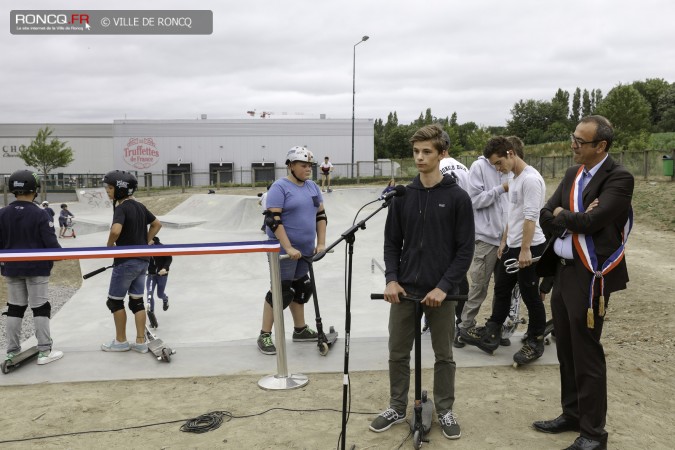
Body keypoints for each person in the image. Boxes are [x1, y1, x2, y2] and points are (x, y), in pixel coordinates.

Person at [369, 124, 474, 440]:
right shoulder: (403, 195)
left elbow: (465, 249)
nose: (419, 157)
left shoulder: (457, 198)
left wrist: (444, 287)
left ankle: (444, 410)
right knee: (397, 352)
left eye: (427, 151)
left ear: (442, 154)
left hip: (443, 293)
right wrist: (391, 279)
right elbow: (391, 243)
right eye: (416, 151)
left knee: (444, 355)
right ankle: (396, 406)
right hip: (405, 291)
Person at [534, 116, 633, 450]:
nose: (572, 144)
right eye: (573, 137)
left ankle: (593, 433)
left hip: (589, 275)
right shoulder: (572, 174)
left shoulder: (619, 178)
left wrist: (566, 215)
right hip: (562, 271)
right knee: (565, 348)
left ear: (600, 146)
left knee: (586, 352)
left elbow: (595, 221)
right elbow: (545, 215)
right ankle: (572, 414)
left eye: (580, 140)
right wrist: (565, 216)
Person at [461, 136, 548, 365]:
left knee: (530, 295)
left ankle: (535, 339)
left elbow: (531, 217)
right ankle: (491, 333)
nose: (498, 169)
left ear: (511, 153)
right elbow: (512, 214)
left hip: (530, 246)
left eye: (499, 163)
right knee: (501, 289)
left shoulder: (531, 180)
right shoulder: (514, 177)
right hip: (512, 244)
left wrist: (526, 250)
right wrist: (504, 242)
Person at [257, 146, 326, 355]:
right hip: (283, 250)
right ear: (291, 166)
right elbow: (272, 219)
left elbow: (320, 216)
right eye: (303, 165)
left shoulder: (313, 187)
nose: (308, 169)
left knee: (302, 289)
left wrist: (321, 243)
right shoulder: (280, 187)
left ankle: (300, 329)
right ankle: (264, 335)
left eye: (309, 166)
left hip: (305, 251)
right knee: (281, 292)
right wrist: (288, 247)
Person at [1, 170, 63, 366]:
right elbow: (52, 245)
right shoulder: (40, 213)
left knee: (15, 308)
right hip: (37, 268)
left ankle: (11, 351)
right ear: (35, 189)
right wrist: (59, 255)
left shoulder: (2, 214)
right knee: (40, 307)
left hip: (11, 268)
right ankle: (44, 351)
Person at [100, 170, 162, 353]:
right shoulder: (140, 206)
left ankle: (121, 341)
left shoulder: (121, 208)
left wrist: (109, 246)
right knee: (137, 302)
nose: (107, 191)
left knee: (115, 302)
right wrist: (146, 241)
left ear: (120, 189)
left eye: (110, 188)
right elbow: (157, 223)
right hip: (143, 261)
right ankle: (141, 341)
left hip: (125, 261)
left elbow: (115, 231)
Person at [458, 140, 511, 346]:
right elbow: (473, 200)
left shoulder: (512, 167)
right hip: (486, 238)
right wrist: (500, 189)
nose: (498, 167)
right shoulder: (478, 167)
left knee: (503, 288)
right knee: (479, 285)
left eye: (499, 162)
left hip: (508, 239)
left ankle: (494, 328)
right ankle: (464, 327)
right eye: (495, 163)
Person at [146, 236, 172, 313]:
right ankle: (152, 314)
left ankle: (165, 299)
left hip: (162, 275)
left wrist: (165, 268)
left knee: (160, 295)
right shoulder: (144, 248)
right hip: (151, 275)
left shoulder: (160, 247)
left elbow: (169, 258)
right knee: (149, 295)